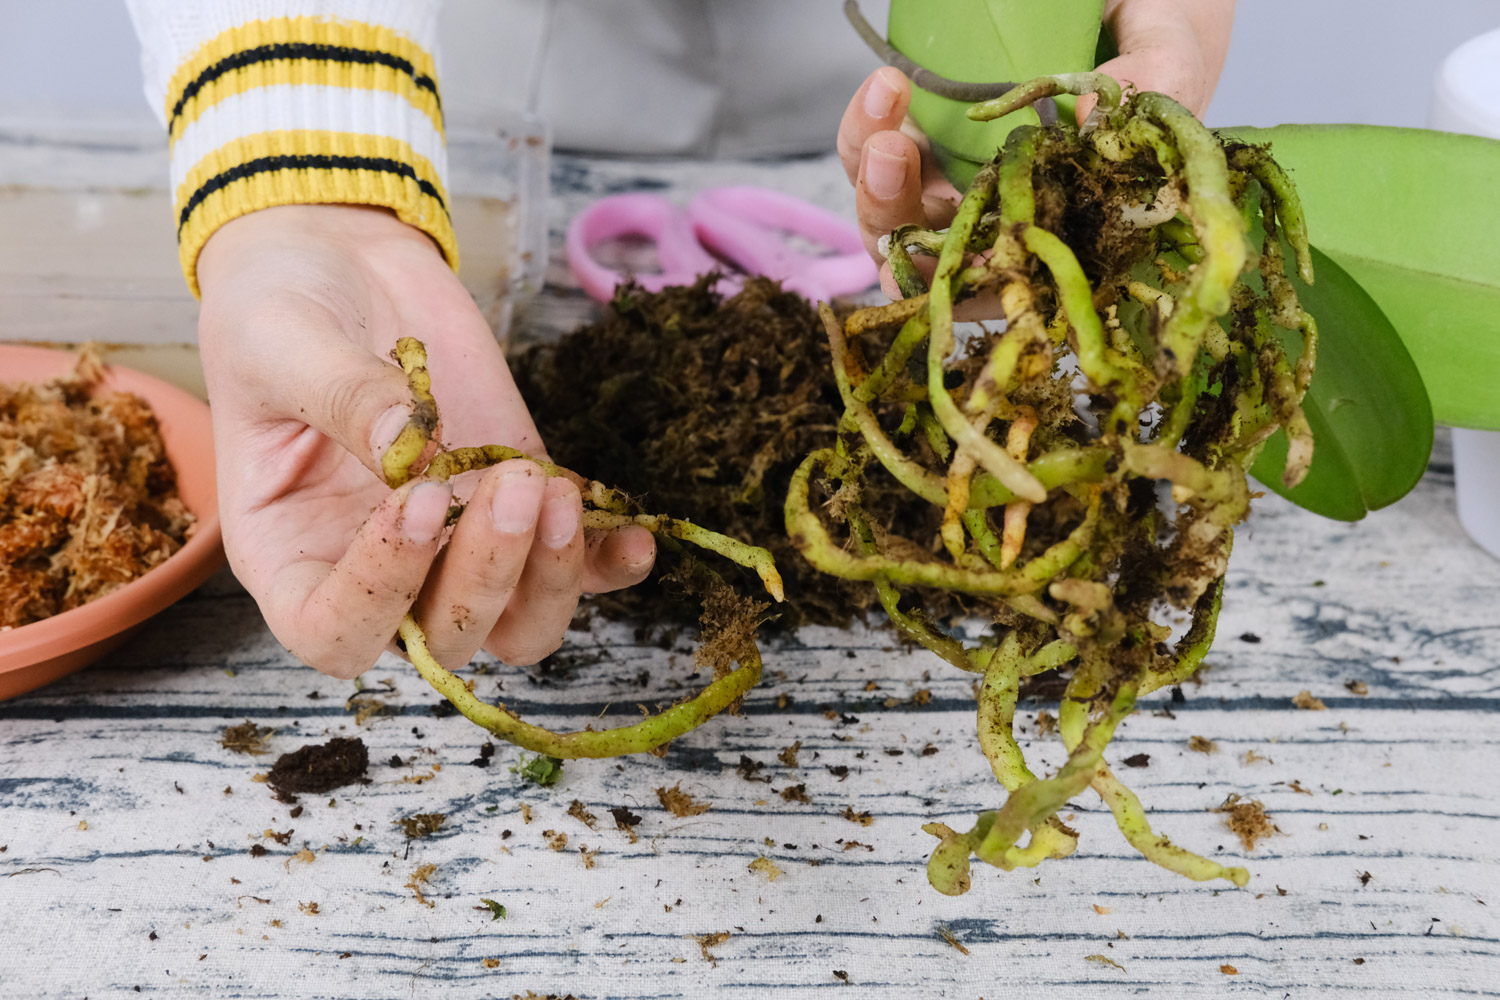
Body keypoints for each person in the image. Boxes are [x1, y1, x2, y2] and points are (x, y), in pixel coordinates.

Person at [125, 0, 1234, 680]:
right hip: (529, 73)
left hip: (927, 55)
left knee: (940, 177)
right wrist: (307, 183)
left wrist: (1149, 21)